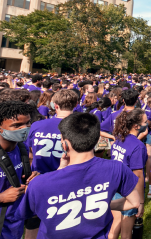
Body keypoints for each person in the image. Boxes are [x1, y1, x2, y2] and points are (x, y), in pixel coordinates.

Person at [15, 113, 140, 239]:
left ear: (65, 145)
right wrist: (101, 204)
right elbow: (134, 203)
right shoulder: (117, 168)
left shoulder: (39, 183)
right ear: (97, 140)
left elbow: (29, 214)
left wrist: (58, 171)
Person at [0, 101, 39, 239]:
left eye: (28, 123)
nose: (24, 129)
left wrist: (33, 179)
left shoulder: (22, 149)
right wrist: (1, 197)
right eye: (17, 125)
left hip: (14, 222)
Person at [109, 109, 148, 239]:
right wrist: (141, 202)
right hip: (128, 190)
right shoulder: (138, 146)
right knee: (126, 232)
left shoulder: (119, 138)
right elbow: (138, 175)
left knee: (116, 223)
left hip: (115, 185)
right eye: (145, 121)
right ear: (136, 126)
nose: (148, 123)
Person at [27, 90, 77, 174]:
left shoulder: (36, 125)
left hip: (38, 177)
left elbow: (30, 152)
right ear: (76, 105)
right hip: (67, 176)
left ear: (55, 105)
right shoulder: (81, 127)